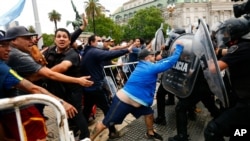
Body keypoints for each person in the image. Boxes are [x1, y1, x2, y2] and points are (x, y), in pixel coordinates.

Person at [89, 41, 184, 141]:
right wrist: (179, 48)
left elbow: (161, 62)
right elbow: (169, 63)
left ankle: (150, 133)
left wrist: (172, 53)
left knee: (149, 113)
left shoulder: (144, 64)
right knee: (105, 123)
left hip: (137, 102)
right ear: (147, 58)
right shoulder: (150, 67)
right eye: (152, 55)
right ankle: (89, 139)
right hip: (123, 102)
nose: (154, 56)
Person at [0, 30, 77, 141]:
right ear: (15, 40)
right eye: (3, 45)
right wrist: (60, 102)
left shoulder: (12, 58)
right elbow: (37, 85)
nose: (8, 49)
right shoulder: (8, 64)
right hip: (20, 110)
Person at [204, 16, 250, 141]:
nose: (225, 35)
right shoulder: (244, 46)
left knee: (212, 131)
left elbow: (214, 68)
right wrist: (217, 51)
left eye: (227, 33)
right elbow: (226, 51)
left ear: (236, 33)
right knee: (238, 134)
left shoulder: (241, 48)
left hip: (245, 103)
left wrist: (204, 56)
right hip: (242, 98)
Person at [80, 35, 134, 139]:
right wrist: (126, 50)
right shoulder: (93, 52)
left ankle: (82, 132)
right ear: (91, 42)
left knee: (87, 110)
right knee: (108, 109)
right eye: (99, 41)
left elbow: (112, 50)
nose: (101, 42)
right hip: (95, 87)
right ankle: (112, 132)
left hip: (89, 88)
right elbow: (110, 54)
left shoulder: (87, 52)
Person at [42, 27, 90, 140]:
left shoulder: (72, 53)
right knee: (62, 111)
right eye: (59, 36)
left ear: (69, 41)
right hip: (57, 88)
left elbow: (62, 67)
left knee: (75, 112)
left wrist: (41, 74)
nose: (61, 39)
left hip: (73, 89)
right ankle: (69, 132)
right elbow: (39, 60)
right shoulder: (50, 50)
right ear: (54, 39)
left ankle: (85, 136)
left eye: (65, 37)